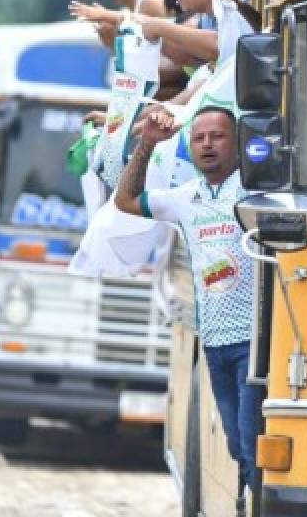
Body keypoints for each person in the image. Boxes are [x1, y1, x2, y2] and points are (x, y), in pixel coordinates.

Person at [114, 105, 263, 515]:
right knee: (235, 443)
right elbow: (125, 200)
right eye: (199, 139)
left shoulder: (255, 193)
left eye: (217, 136)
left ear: (237, 143)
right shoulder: (185, 199)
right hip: (213, 343)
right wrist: (146, 145)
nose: (207, 145)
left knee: (252, 444)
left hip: (254, 342)